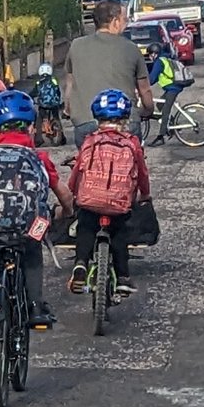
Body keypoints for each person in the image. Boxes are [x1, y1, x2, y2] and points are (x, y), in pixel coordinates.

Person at [0, 90, 73, 356]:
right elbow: (63, 194)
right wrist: (66, 212)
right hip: (26, 230)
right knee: (33, 253)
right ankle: (35, 308)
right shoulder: (39, 158)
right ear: (31, 126)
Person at [67, 89, 151, 296]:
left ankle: (80, 263)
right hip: (118, 204)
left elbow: (78, 171)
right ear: (124, 118)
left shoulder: (90, 141)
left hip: (90, 200)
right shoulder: (132, 143)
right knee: (120, 233)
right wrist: (145, 194)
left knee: (86, 226)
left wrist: (72, 192)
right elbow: (142, 173)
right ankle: (123, 277)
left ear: (97, 119)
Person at [63, 0, 155, 146]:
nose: (126, 23)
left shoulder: (76, 46)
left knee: (88, 164)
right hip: (124, 123)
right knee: (133, 163)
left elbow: (70, 84)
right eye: (124, 19)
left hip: (85, 122)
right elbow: (145, 90)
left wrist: (68, 109)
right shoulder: (131, 48)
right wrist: (147, 110)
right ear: (115, 21)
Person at [144, 42, 186, 147]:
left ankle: (161, 137)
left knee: (166, 111)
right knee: (160, 105)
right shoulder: (164, 59)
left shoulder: (159, 62)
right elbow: (155, 79)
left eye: (150, 54)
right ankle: (173, 124)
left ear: (155, 53)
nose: (150, 57)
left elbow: (152, 78)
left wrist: (142, 85)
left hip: (173, 87)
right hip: (172, 86)